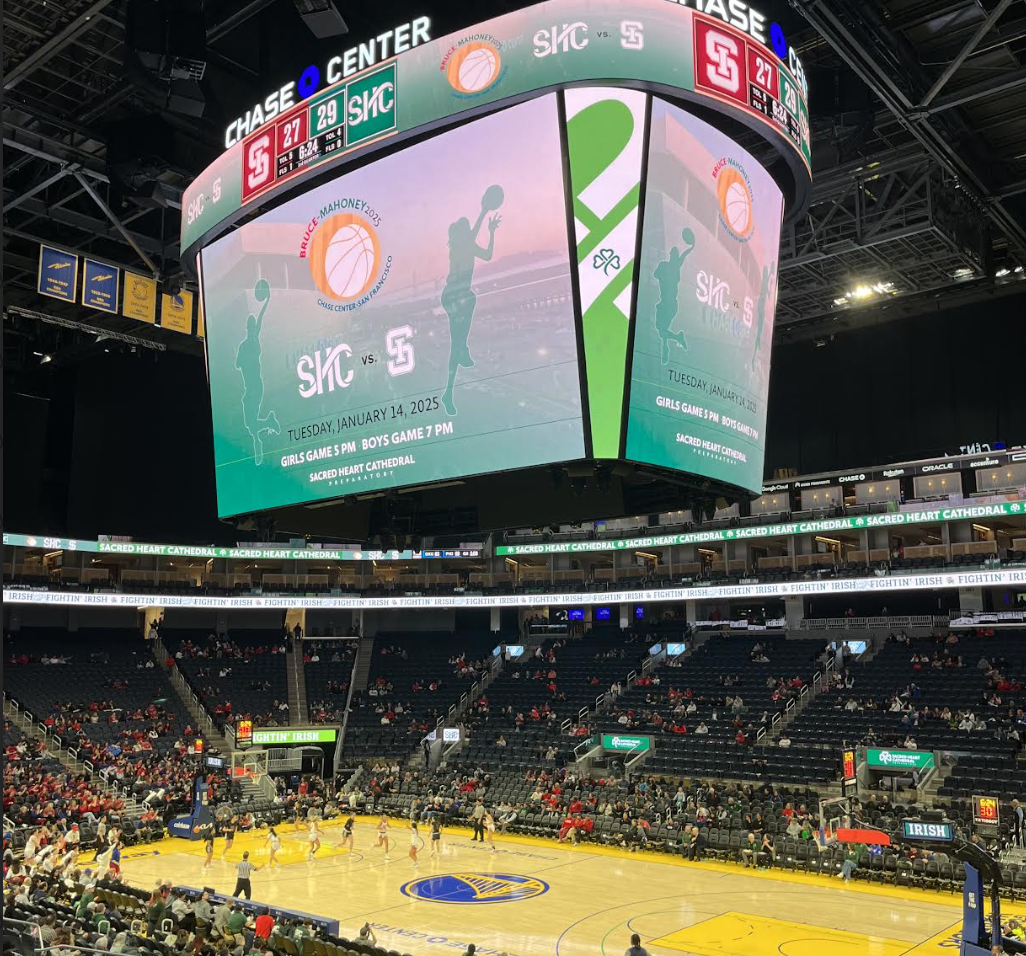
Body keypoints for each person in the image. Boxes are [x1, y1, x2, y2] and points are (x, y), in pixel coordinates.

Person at [440, 186, 503, 415]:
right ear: (460, 233)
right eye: (466, 229)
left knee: (455, 344)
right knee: (470, 303)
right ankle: (463, 350)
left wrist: (492, 232)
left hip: (457, 296)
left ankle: (448, 391)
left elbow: (487, 255)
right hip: (455, 295)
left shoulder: (466, 245)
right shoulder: (459, 246)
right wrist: (484, 210)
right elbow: (474, 232)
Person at [653, 228, 696, 364]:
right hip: (665, 303)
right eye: (673, 254)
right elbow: (656, 274)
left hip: (670, 304)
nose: (675, 256)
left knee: (661, 329)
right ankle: (667, 347)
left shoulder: (674, 266)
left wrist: (691, 247)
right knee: (662, 329)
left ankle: (676, 339)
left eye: (675, 254)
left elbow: (684, 255)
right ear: (671, 255)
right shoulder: (665, 265)